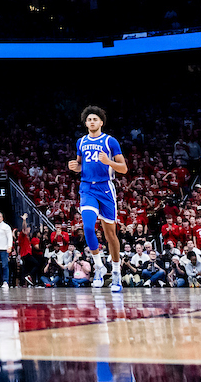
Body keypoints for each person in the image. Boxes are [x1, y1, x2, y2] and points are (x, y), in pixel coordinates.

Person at [68, 105, 127, 293]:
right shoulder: (81, 142)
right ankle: (99, 267)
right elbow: (80, 166)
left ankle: (116, 272)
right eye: (89, 119)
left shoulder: (110, 141)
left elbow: (123, 168)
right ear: (85, 123)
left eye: (95, 119)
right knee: (87, 227)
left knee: (110, 235)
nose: (92, 122)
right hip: (87, 188)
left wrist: (109, 162)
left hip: (106, 188)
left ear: (101, 122)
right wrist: (74, 167)